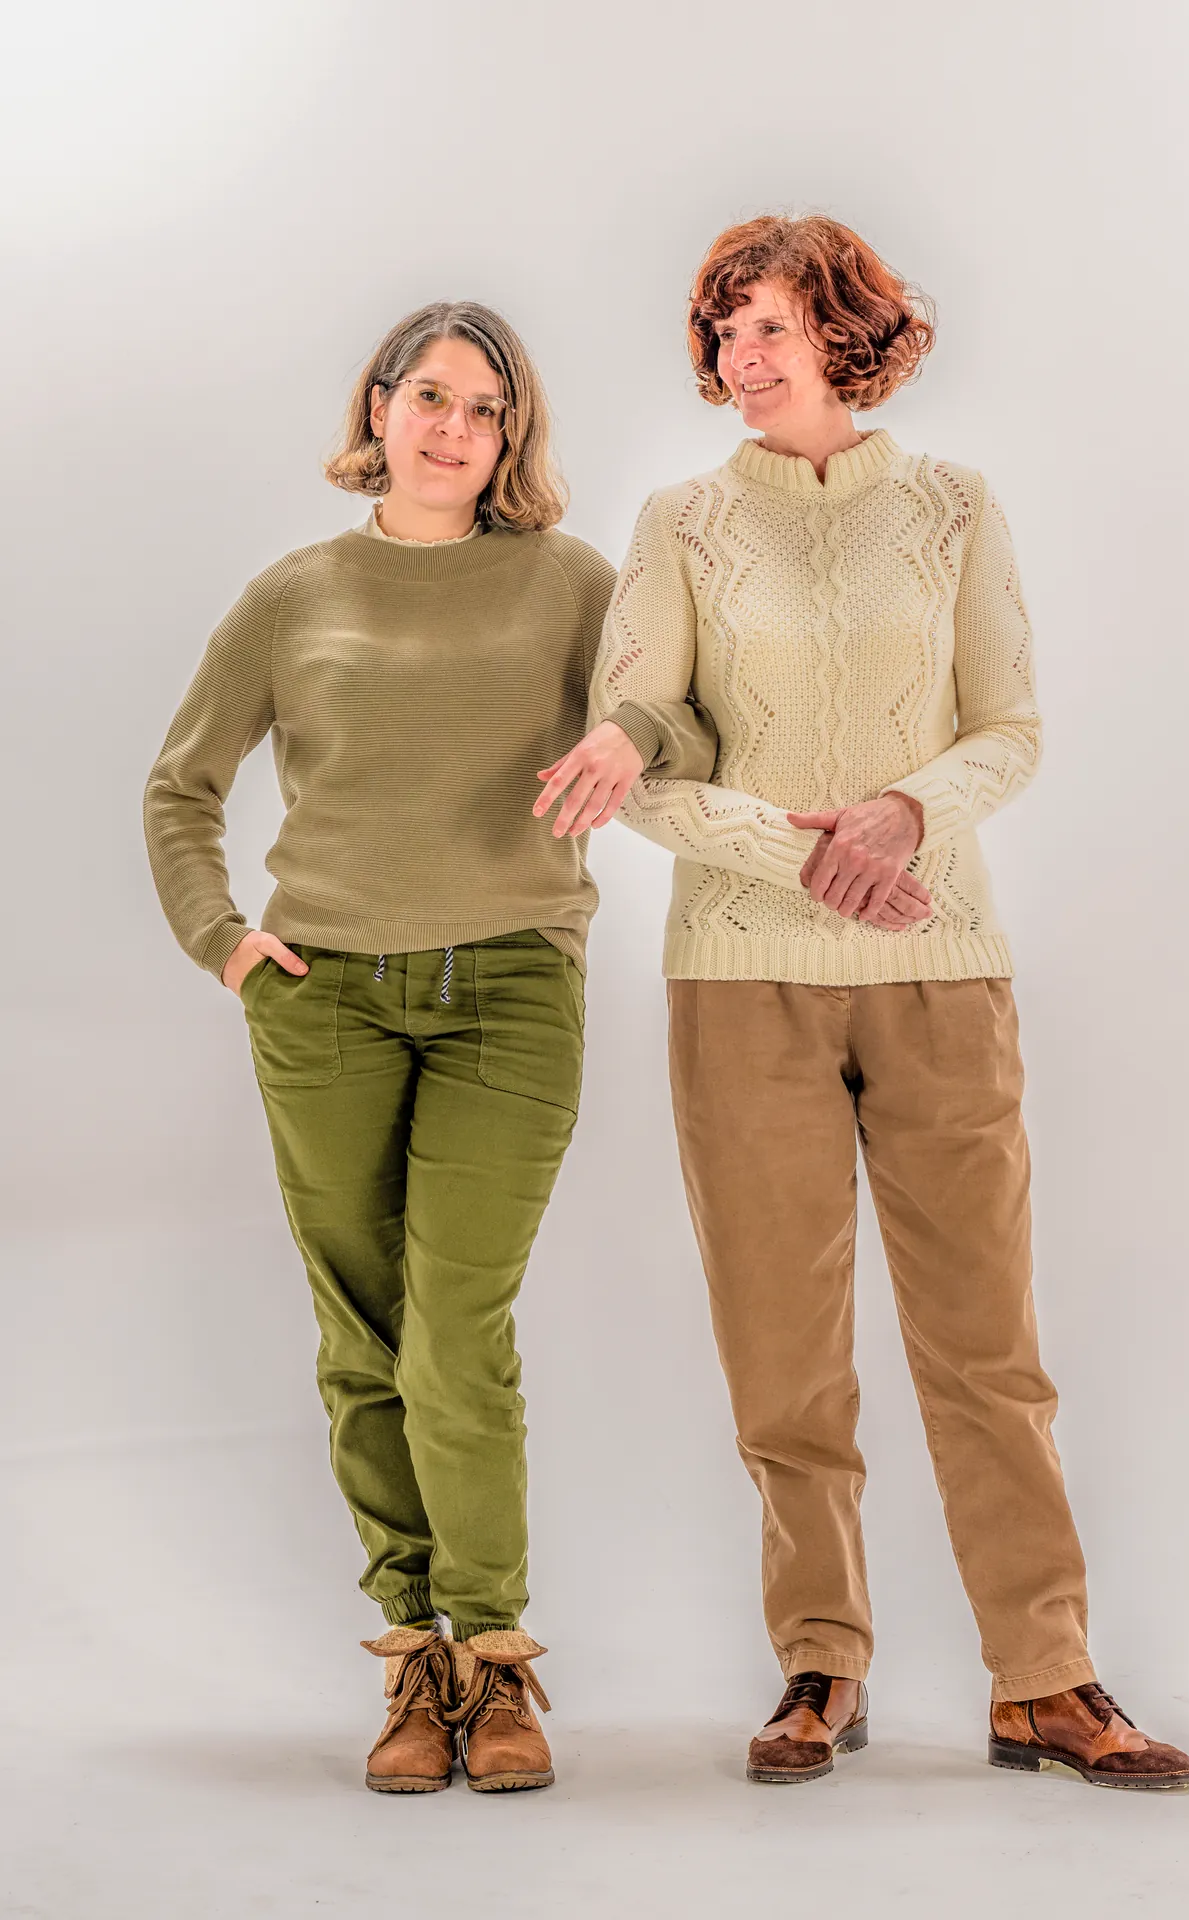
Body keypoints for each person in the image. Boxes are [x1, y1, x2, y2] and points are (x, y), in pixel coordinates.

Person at [540, 215, 1189, 1791]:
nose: (741, 356)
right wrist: (805, 854)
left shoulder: (956, 508)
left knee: (988, 1347)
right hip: (738, 983)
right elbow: (638, 758)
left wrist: (904, 813)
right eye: (723, 332)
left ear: (846, 333)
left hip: (942, 969)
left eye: (770, 324)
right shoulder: (681, 524)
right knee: (784, 1353)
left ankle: (1045, 1678)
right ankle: (820, 1664)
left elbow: (1010, 729)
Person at [143, 300, 711, 1794]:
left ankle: (498, 1656)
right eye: (432, 397)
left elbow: (683, 714)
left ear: (513, 435)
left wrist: (635, 737)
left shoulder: (570, 582)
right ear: (380, 407)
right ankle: (412, 1659)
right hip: (322, 995)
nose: (456, 428)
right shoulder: (292, 596)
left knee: (457, 1325)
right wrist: (225, 941)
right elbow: (181, 786)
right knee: (362, 1329)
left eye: (487, 408)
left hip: (512, 987)